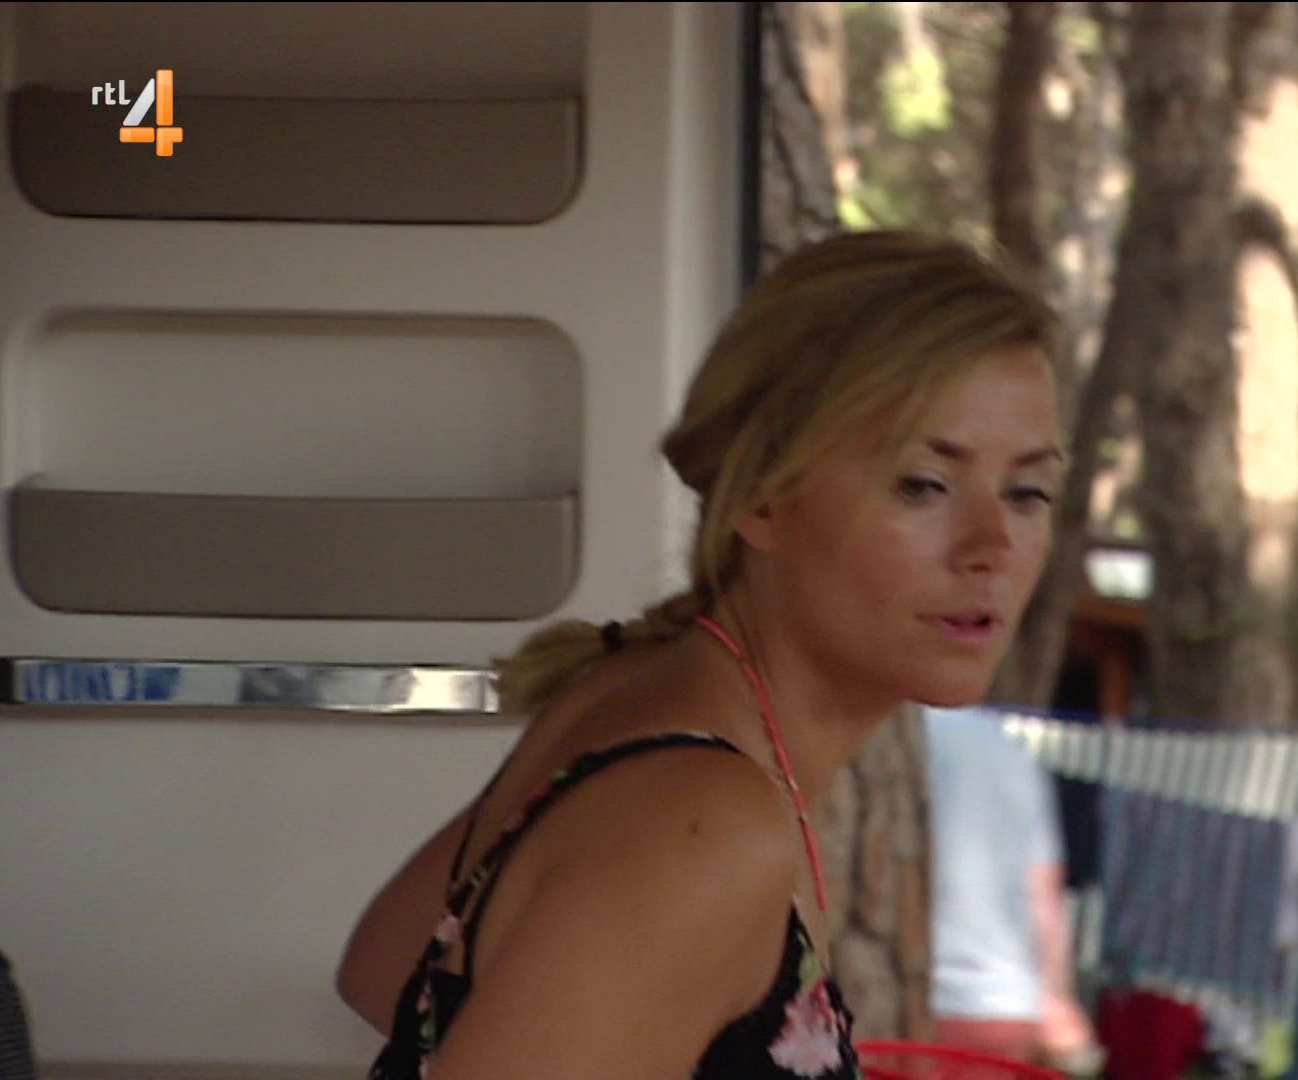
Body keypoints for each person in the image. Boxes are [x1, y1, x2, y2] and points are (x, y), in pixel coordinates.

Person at [335, 229, 1067, 1078]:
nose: (992, 546)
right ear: (760, 495)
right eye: (924, 485)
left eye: (1027, 493)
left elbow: (389, 969)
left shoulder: (640, 688)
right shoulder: (707, 825)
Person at [923, 706, 1103, 1075]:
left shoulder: (886, 738)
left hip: (916, 996)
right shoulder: (1010, 749)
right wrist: (1057, 998)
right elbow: (1044, 891)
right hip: (1008, 1003)